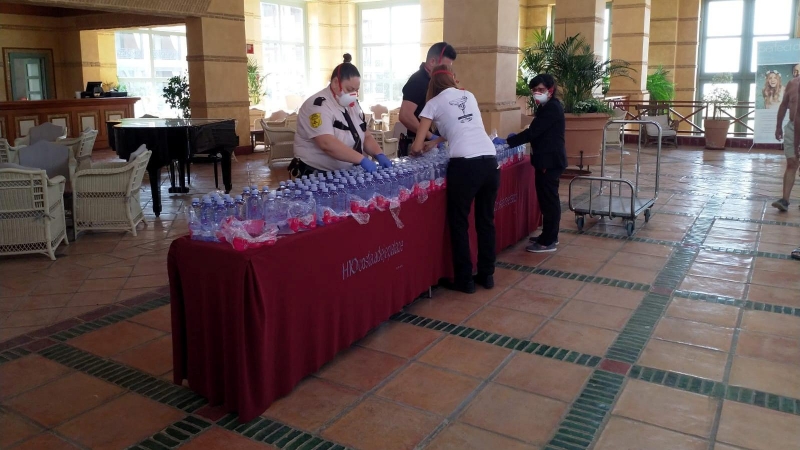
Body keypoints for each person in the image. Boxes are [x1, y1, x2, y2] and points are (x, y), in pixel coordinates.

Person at [410, 65, 499, 294]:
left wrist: (418, 148)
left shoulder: (433, 103)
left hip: (465, 165)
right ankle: (487, 274)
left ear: (432, 85)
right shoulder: (468, 95)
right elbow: (464, 126)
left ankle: (464, 280)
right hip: (490, 160)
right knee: (485, 220)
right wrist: (438, 141)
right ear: (452, 81)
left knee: (459, 222)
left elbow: (417, 146)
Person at [290, 53, 392, 177]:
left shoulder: (352, 106)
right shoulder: (317, 105)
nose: (353, 94)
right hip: (315, 174)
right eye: (350, 89)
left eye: (356, 90)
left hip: (343, 174)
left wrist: (379, 154)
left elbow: (366, 136)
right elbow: (327, 143)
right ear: (335, 82)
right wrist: (361, 160)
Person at [500, 74, 566, 253]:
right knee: (547, 200)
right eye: (534, 90)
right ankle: (549, 234)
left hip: (549, 161)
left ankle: (549, 240)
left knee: (549, 201)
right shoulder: (546, 107)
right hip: (546, 159)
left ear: (551, 90)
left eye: (541, 90)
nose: (537, 93)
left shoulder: (552, 108)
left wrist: (508, 142)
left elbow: (534, 132)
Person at [399, 42, 457, 156]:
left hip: (436, 143)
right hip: (422, 145)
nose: (447, 72)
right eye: (444, 67)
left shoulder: (435, 82)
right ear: (432, 62)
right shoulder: (418, 81)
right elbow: (405, 115)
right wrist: (430, 136)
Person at [770, 73, 800, 211]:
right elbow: (783, 105)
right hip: (793, 127)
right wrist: (778, 126)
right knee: (792, 162)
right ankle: (785, 200)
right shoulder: (792, 83)